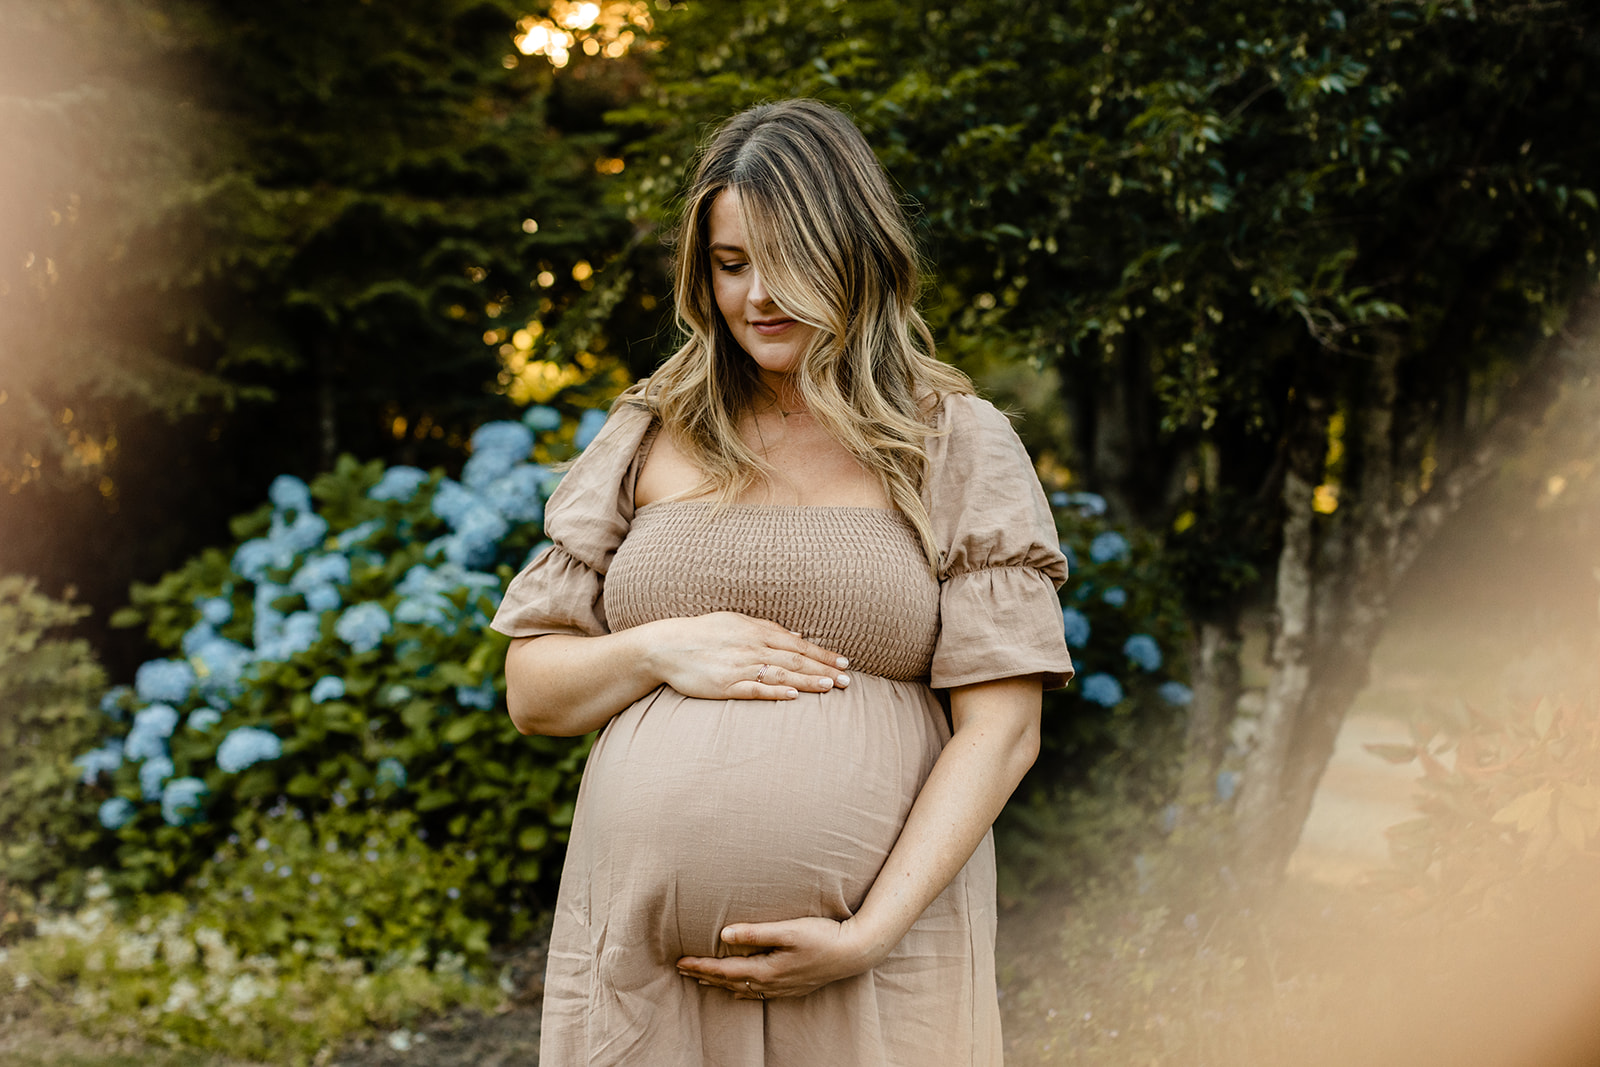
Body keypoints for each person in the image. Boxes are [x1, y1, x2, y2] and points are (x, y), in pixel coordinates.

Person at [492, 98, 1074, 1066]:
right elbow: (533, 691)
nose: (758, 295)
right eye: (730, 264)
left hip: (876, 958)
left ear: (856, 255)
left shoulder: (953, 440)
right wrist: (657, 646)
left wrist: (866, 932)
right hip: (649, 965)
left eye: (790, 261)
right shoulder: (649, 429)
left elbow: (1003, 727)